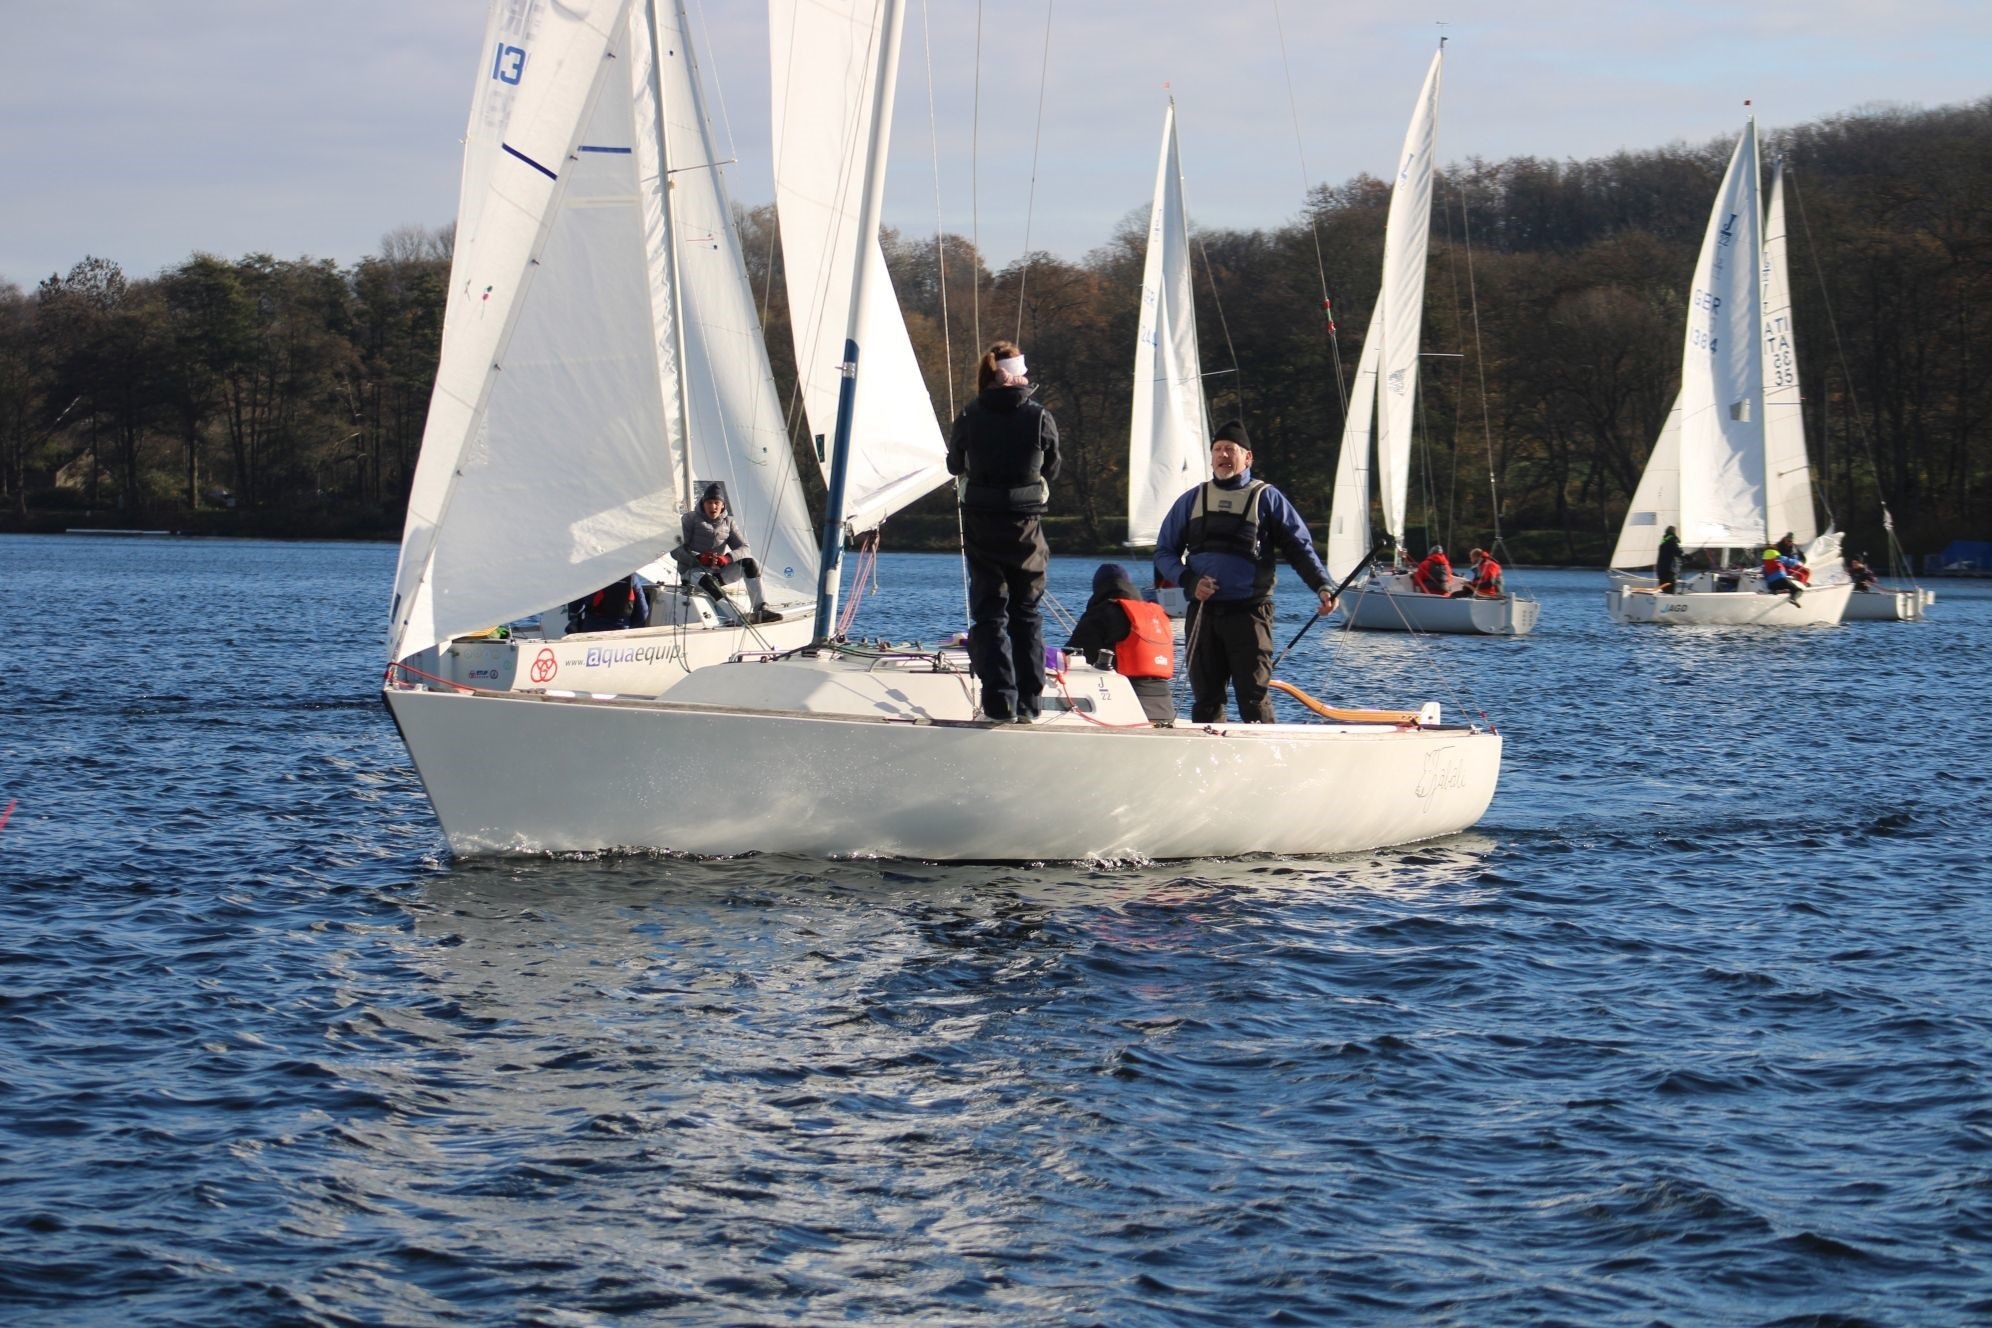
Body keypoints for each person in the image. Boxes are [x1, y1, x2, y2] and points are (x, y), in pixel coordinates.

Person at [1153, 420, 1337, 724]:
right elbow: (1164, 552)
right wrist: (1189, 581)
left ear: (1247, 457)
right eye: (1218, 450)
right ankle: (1208, 750)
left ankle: (1264, 751)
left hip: (1250, 615)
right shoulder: (1191, 500)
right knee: (1206, 699)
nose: (1223, 455)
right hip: (1203, 614)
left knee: (1253, 697)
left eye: (1231, 449)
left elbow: (1299, 549)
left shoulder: (1268, 498)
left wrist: (1322, 586)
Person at [946, 340, 1061, 722]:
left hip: (981, 523)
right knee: (1025, 612)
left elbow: (953, 464)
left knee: (990, 612)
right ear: (1018, 374)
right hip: (1025, 525)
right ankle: (1029, 702)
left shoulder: (969, 414)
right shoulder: (1039, 416)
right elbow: (1053, 468)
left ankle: (999, 701)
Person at [1064, 563, 1176, 726]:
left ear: (1099, 588)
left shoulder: (1102, 613)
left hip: (1125, 708)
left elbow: (1071, 656)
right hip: (1165, 708)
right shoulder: (1156, 614)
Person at [672, 483, 783, 624]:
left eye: (716, 503)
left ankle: (762, 609)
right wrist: (698, 558)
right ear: (703, 504)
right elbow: (675, 551)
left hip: (716, 573)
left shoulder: (729, 523)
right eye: (709, 503)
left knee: (749, 563)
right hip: (692, 573)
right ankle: (742, 616)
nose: (713, 507)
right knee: (708, 581)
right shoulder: (689, 519)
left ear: (723, 505)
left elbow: (745, 548)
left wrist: (727, 558)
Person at [567, 574, 650, 634]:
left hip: (592, 629)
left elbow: (575, 608)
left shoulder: (592, 576)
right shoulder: (632, 578)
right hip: (621, 630)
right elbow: (643, 613)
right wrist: (627, 624)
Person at [1654, 525, 1683, 593]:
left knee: (1663, 588)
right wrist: (1687, 557)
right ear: (1673, 531)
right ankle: (1669, 598)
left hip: (1661, 568)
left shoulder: (1664, 540)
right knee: (1669, 589)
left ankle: (1663, 597)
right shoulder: (1672, 540)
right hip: (1669, 569)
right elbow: (1677, 552)